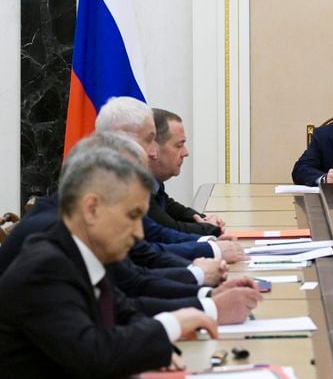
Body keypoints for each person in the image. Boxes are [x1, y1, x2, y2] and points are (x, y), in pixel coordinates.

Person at [0, 146, 218, 376]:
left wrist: (157, 346)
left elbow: (124, 312)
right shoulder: (45, 267)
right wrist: (169, 325)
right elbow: (93, 355)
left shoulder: (85, 250)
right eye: (132, 216)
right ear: (92, 209)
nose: (139, 233)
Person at [95, 97, 246, 263]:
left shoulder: (128, 182)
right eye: (148, 140)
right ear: (121, 140)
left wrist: (206, 234)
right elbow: (148, 250)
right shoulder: (111, 188)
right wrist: (211, 246)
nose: (152, 152)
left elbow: (156, 233)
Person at [149, 108, 225, 236]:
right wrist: (209, 228)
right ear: (153, 147)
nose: (186, 153)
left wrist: (204, 219)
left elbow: (171, 208)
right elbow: (169, 229)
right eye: (179, 145)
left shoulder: (154, 183)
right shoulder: (133, 186)